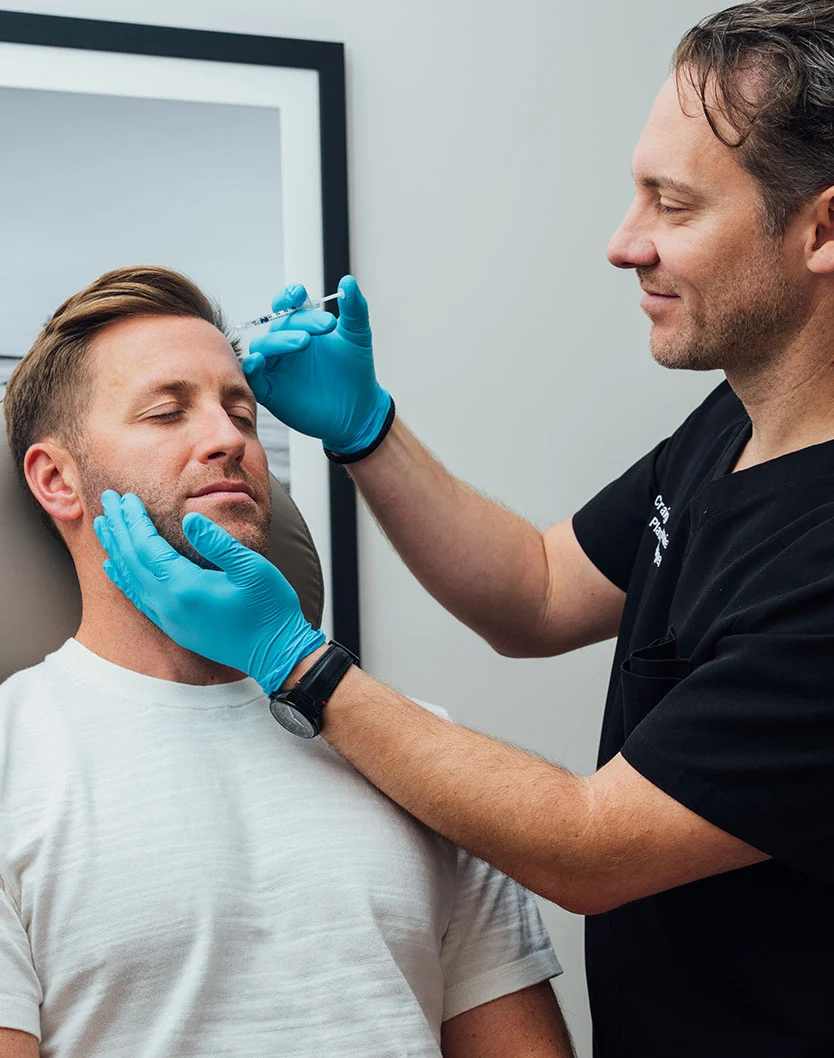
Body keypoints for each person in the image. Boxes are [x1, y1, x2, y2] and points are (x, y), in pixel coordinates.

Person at [94, 1, 834, 1054]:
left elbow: (589, 844)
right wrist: (368, 432)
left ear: (823, 230)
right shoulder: (738, 422)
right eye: (166, 411)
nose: (625, 244)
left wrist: (299, 664)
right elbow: (535, 589)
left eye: (671, 205)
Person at [0, 265, 573, 1058]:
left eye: (241, 410)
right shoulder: (10, 760)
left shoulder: (419, 752)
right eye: (168, 412)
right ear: (58, 480)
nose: (230, 438)